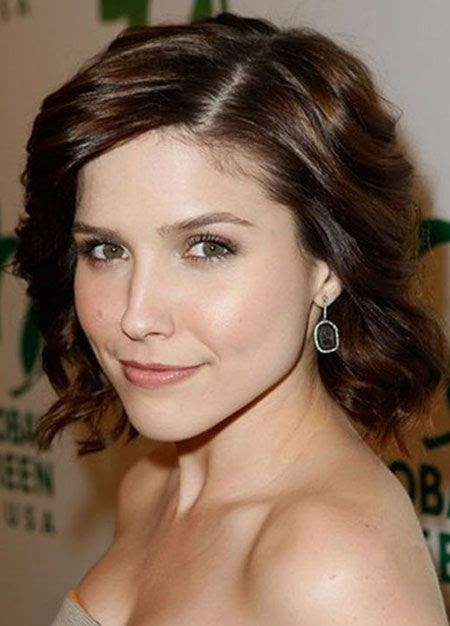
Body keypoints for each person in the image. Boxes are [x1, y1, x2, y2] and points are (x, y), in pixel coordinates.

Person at [13, 11, 449, 626]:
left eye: (207, 248)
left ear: (328, 264)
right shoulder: (152, 484)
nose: (136, 316)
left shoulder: (335, 567)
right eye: (105, 249)